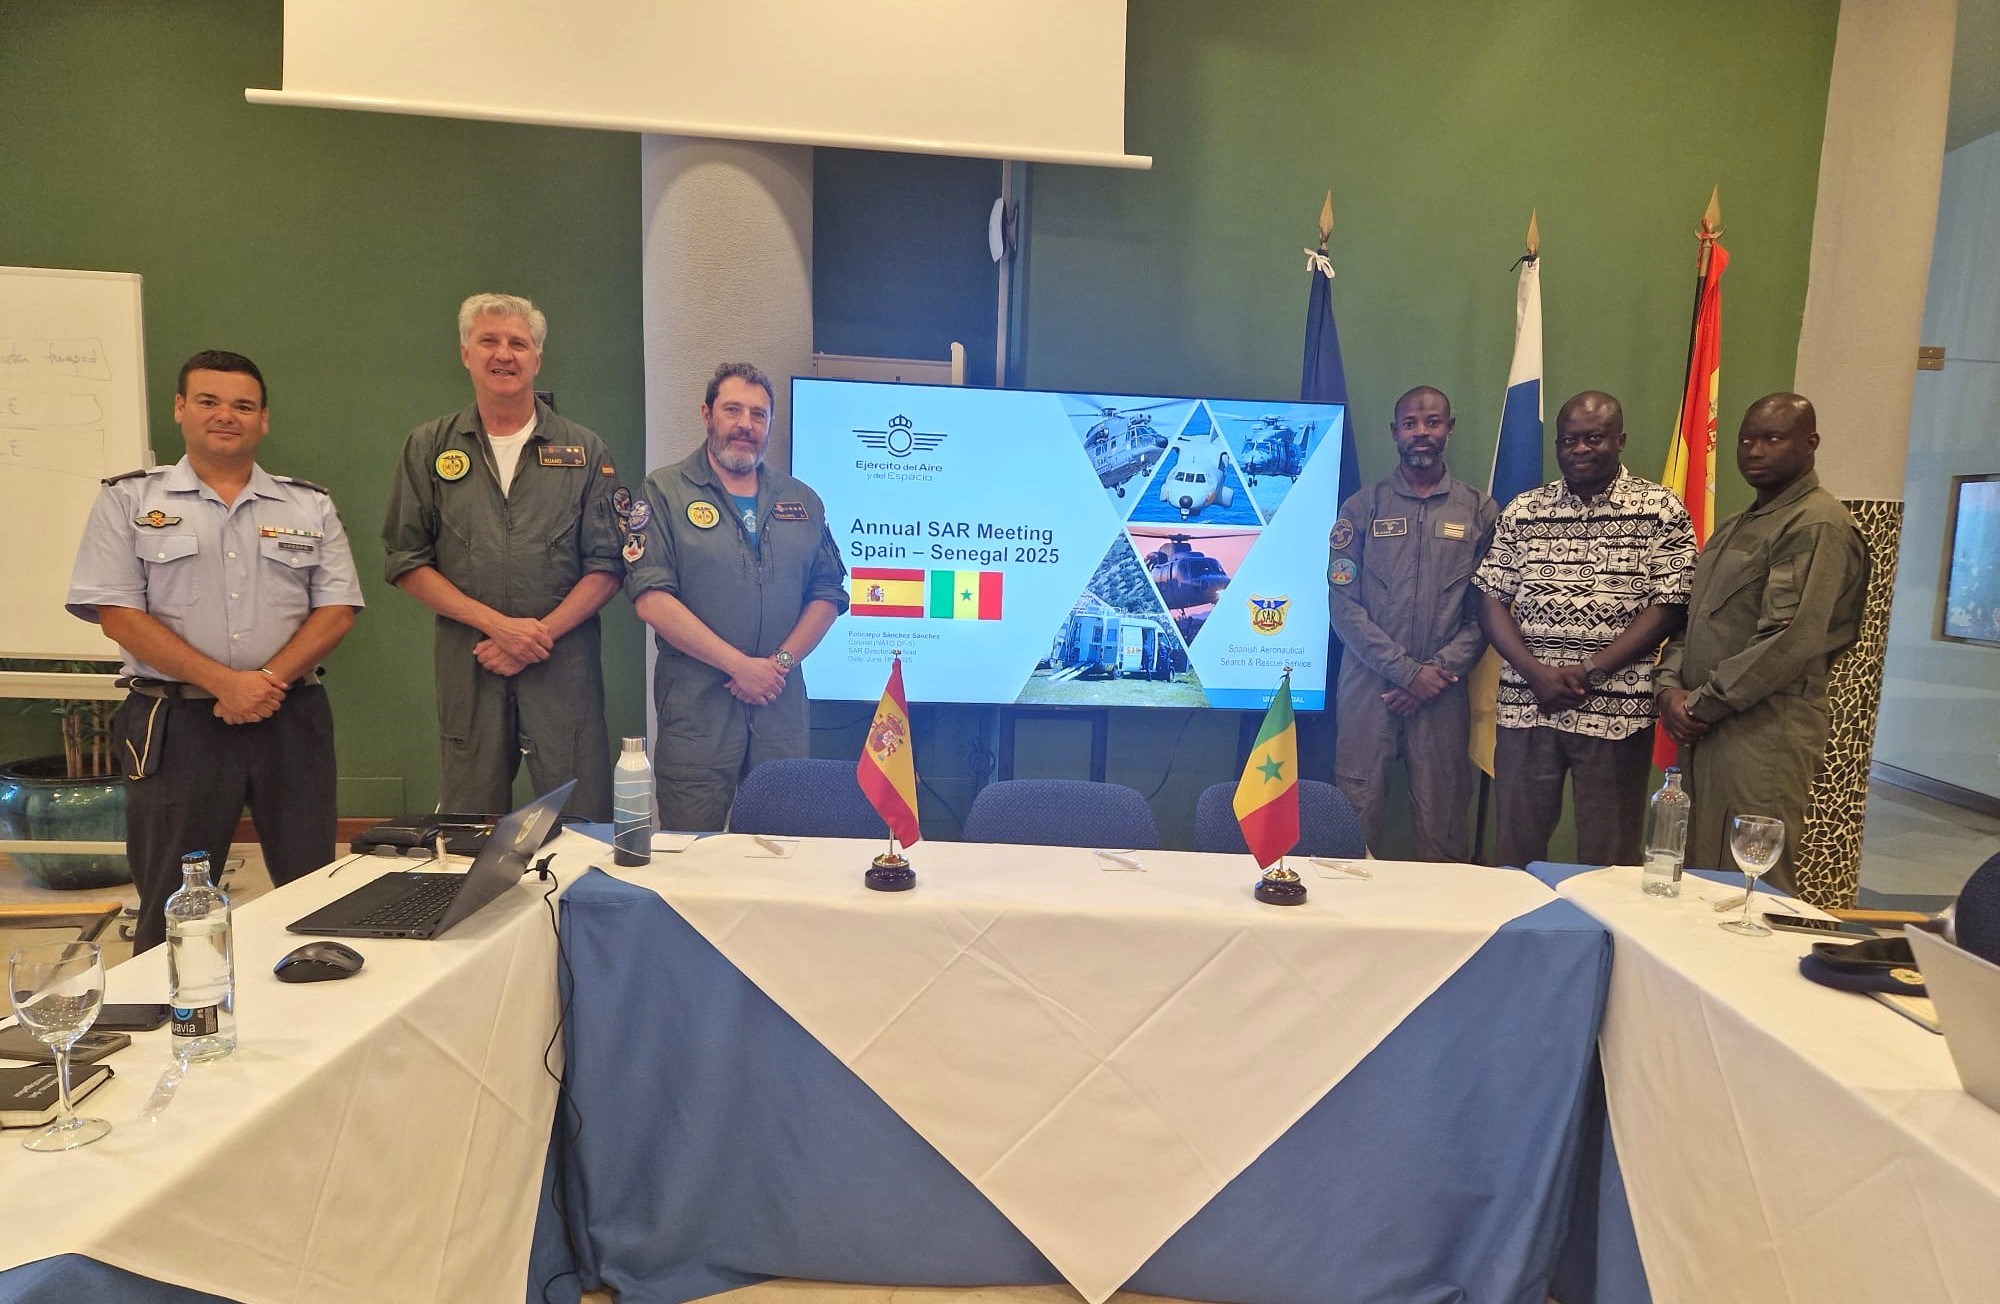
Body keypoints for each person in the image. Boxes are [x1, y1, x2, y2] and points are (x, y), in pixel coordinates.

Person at [66, 351, 363, 953]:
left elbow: (337, 608)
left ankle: (313, 997)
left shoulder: (308, 505)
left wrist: (264, 681)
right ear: (180, 409)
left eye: (243, 406)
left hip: (291, 714)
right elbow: (117, 613)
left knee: (313, 891)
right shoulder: (129, 500)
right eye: (208, 401)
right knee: (172, 899)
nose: (226, 415)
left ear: (264, 420)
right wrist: (225, 683)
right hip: (176, 722)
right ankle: (165, 1003)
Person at [382, 293, 623, 820]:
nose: (504, 354)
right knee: (468, 823)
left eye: (518, 343)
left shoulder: (585, 451)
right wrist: (498, 628)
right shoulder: (428, 446)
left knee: (579, 821)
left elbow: (608, 566)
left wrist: (535, 637)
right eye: (489, 340)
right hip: (472, 662)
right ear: (466, 353)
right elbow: (406, 560)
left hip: (563, 666)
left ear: (537, 358)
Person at [1656, 393, 1867, 895]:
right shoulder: (1736, 525)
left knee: (1750, 876)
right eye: (1746, 439)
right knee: (1699, 872)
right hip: (1704, 726)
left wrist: (1700, 703)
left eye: (1773, 438)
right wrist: (1668, 688)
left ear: (1810, 443)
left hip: (1764, 729)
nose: (1755, 450)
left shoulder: (1816, 523)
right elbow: (1693, 618)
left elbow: (1790, 639)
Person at [622, 362, 849, 830]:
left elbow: (827, 592)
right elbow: (651, 598)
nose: (746, 424)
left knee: (783, 848)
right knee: (691, 850)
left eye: (758, 414)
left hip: (779, 708)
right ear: (707, 414)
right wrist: (740, 666)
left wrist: (778, 664)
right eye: (732, 410)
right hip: (698, 712)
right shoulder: (664, 492)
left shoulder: (802, 499)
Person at [1475, 390, 1695, 868]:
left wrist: (1590, 670)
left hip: (1618, 710)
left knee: (1609, 858)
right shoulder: (1524, 510)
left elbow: (1671, 605)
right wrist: (1535, 673)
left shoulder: (1661, 509)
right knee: (1515, 852)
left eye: (1593, 438)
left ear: (1620, 440)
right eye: (1568, 440)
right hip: (1528, 705)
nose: (1579, 449)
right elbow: (1490, 599)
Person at [1327, 386, 1497, 860]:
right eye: (1410, 423)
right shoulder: (1361, 508)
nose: (1421, 432)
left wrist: (1434, 674)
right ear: (1394, 432)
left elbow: (1488, 610)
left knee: (1443, 825)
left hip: (1444, 691)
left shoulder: (1479, 511)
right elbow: (1343, 606)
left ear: (1449, 428)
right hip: (1369, 688)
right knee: (1354, 820)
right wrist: (1407, 673)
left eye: (1432, 422)